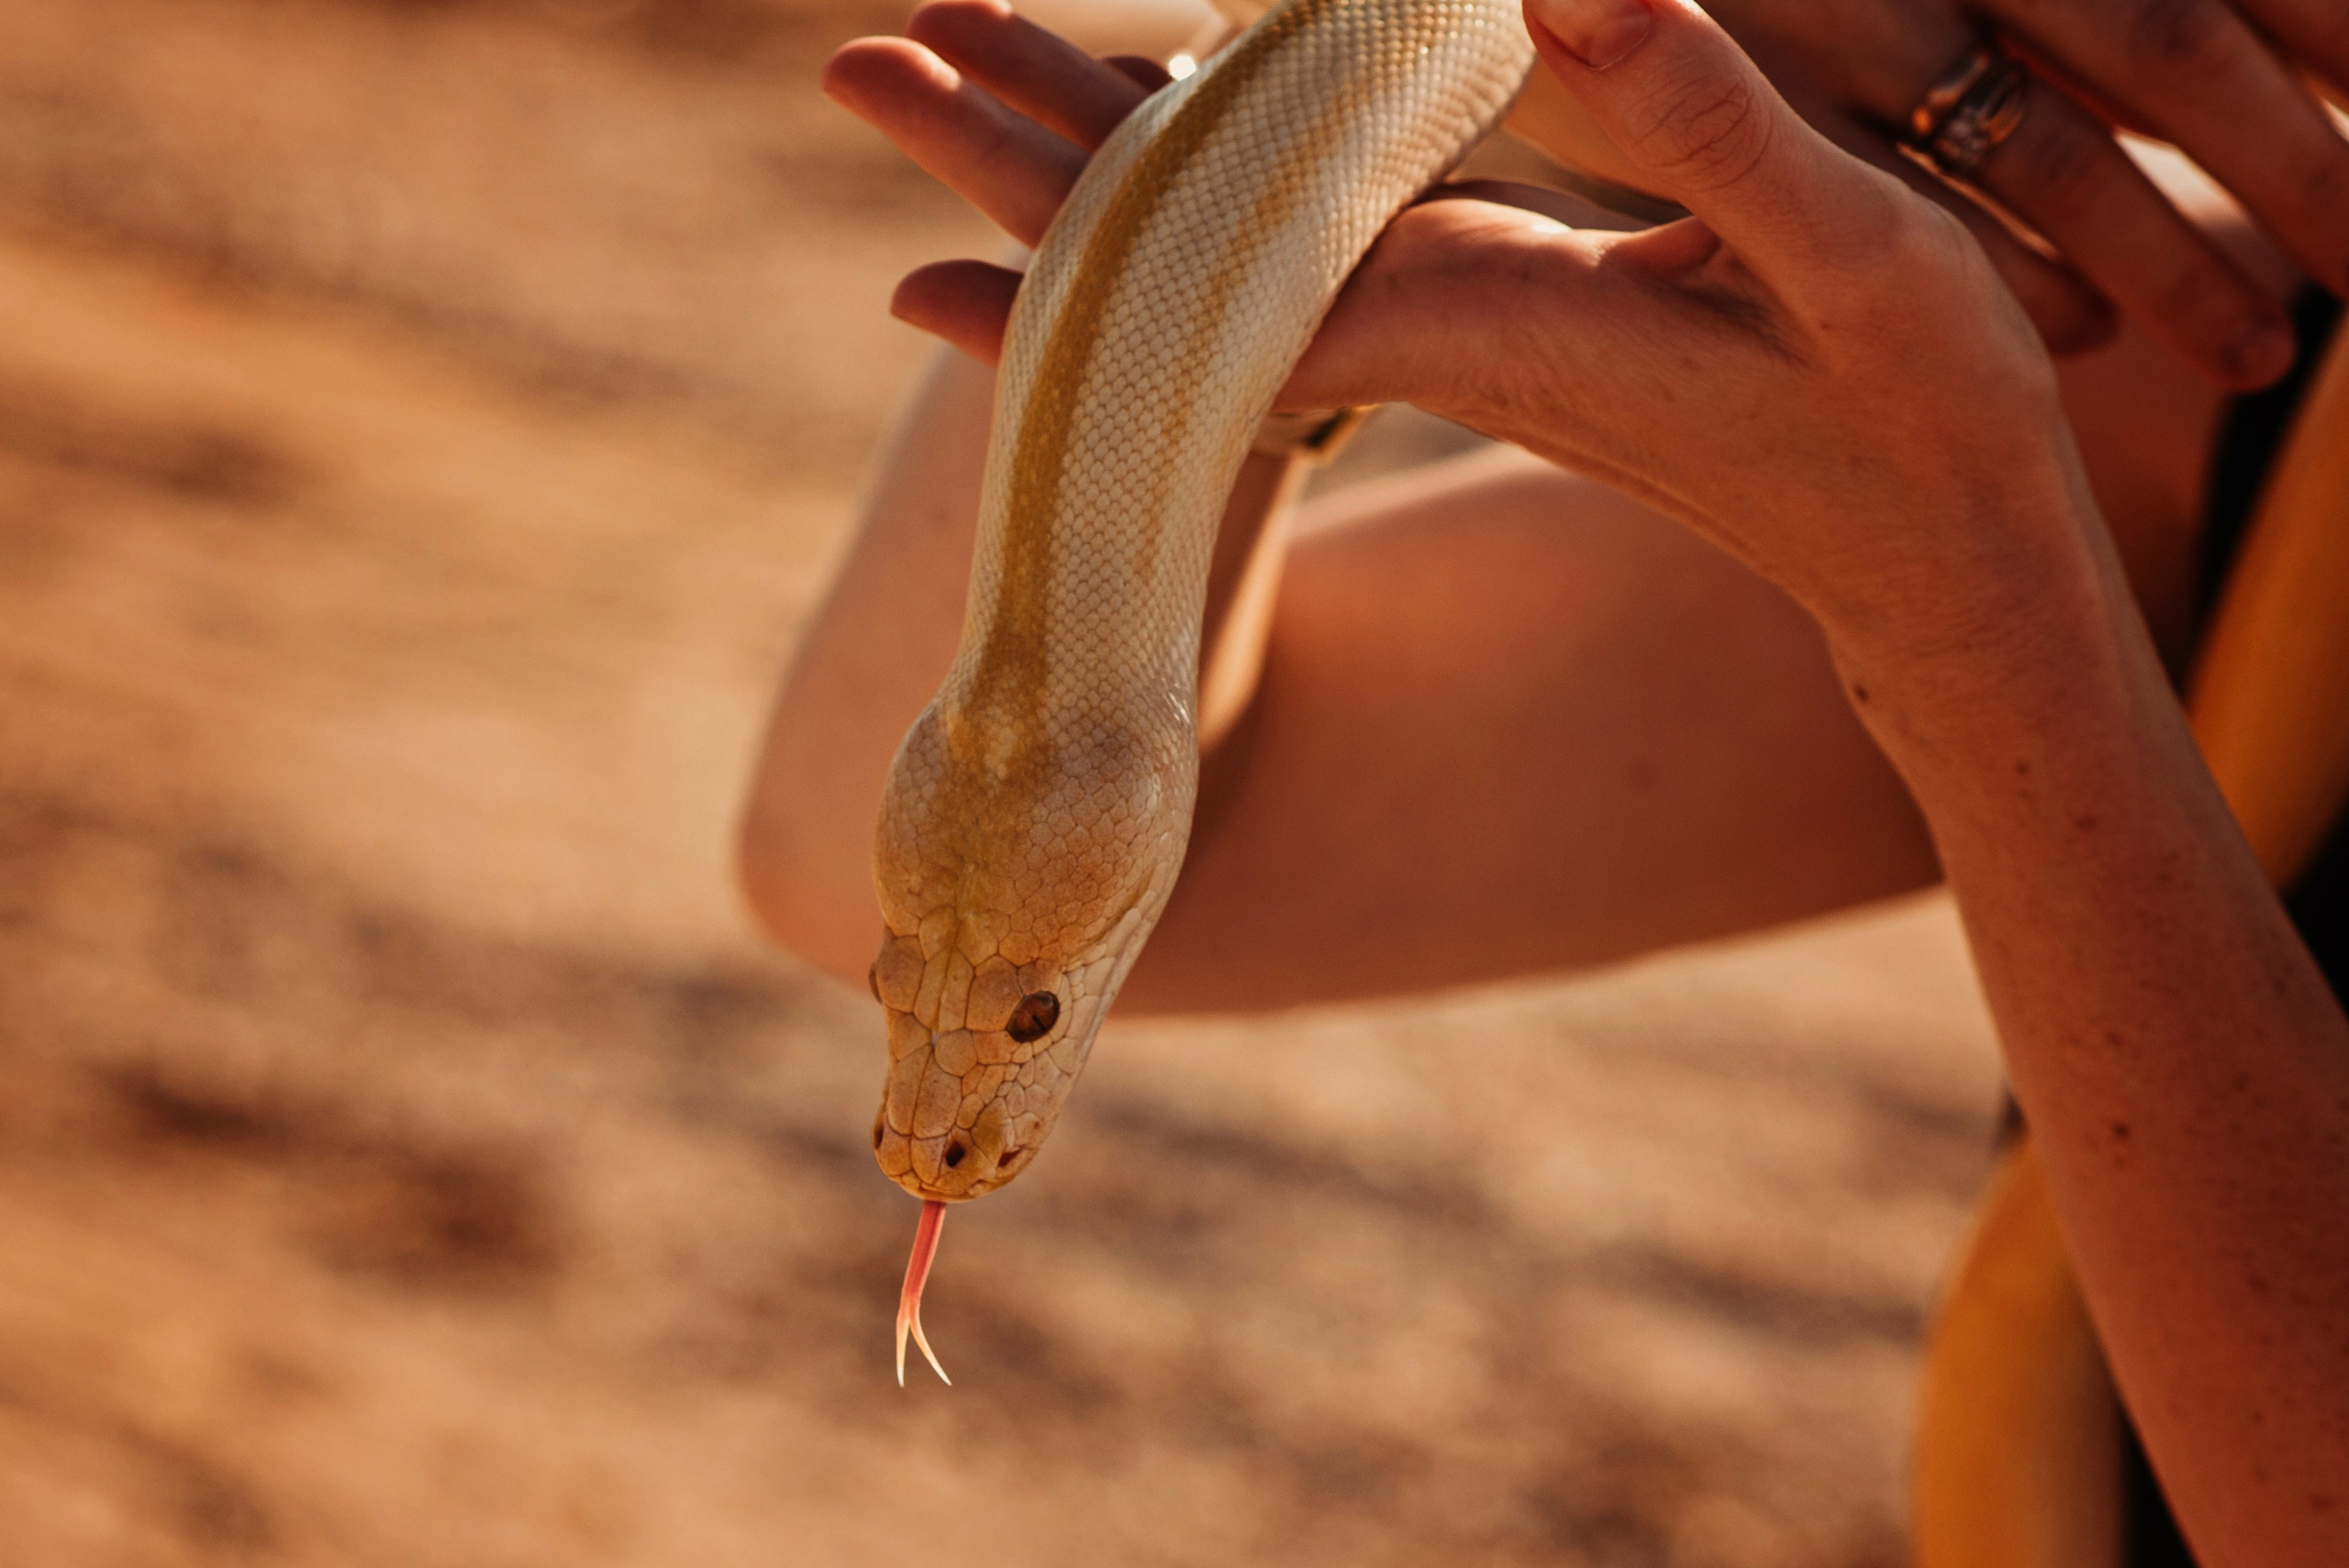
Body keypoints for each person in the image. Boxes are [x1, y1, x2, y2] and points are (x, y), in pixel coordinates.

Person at [741, 0, 2349, 1562]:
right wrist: (1313, 191)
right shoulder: (2253, 426)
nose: (938, 1134)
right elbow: (822, 863)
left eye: (1028, 1016)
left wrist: (1977, 626)